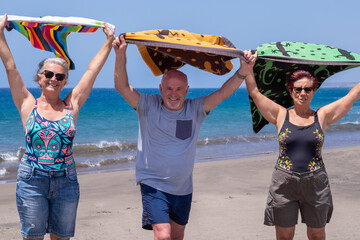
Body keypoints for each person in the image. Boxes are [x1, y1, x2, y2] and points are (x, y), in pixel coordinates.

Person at [112, 35, 256, 240]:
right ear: (161, 89)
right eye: (169, 88)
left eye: (179, 89)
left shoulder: (195, 109)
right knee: (163, 235)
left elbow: (223, 92)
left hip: (183, 188)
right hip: (153, 185)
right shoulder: (147, 106)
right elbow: (122, 86)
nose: (173, 93)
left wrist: (243, 71)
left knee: (177, 236)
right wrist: (120, 54)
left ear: (186, 91)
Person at [0, 14, 114, 240]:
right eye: (49, 74)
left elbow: (91, 71)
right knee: (32, 237)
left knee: (62, 237)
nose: (53, 78)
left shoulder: (71, 105)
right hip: (32, 180)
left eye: (59, 76)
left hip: (66, 180)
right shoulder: (27, 104)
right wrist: (0, 34)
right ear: (39, 78)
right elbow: (11, 67)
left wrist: (109, 41)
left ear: (64, 81)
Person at [245, 52, 360, 240]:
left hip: (316, 183)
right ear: (291, 91)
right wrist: (247, 68)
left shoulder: (322, 116)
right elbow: (255, 92)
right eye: (298, 89)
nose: (302, 93)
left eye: (308, 89)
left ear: (314, 91)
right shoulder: (280, 115)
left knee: (317, 235)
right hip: (284, 183)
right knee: (284, 236)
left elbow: (352, 96)